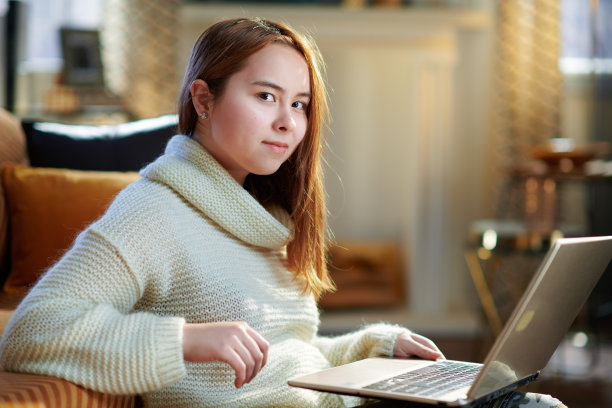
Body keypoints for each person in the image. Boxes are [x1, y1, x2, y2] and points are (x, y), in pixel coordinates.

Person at [0, 18, 565, 408]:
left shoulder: (266, 219)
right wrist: (185, 341)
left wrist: (374, 346)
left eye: (299, 105)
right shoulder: (153, 211)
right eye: (266, 96)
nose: (287, 122)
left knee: (526, 399)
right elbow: (31, 333)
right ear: (203, 100)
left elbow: (290, 357)